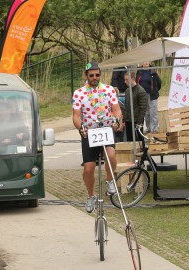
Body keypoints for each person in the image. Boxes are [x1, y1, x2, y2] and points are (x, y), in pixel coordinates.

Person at [72, 61, 123, 213]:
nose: (95, 78)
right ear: (86, 76)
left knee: (111, 155)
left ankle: (109, 180)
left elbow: (117, 110)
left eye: (97, 75)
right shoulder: (79, 93)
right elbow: (76, 115)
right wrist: (81, 127)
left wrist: (117, 121)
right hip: (89, 132)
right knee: (89, 168)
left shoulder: (108, 90)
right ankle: (90, 195)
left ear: (100, 75)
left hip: (106, 129)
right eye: (91, 75)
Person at [136, 62, 161, 133]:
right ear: (142, 63)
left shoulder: (152, 71)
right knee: (146, 112)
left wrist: (154, 90)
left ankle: (155, 129)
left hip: (152, 94)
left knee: (153, 112)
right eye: (145, 61)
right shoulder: (139, 71)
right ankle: (149, 128)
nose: (146, 62)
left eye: (147, 61)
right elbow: (137, 82)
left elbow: (159, 82)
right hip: (143, 95)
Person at [123, 72, 148, 141]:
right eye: (124, 80)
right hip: (128, 120)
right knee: (130, 141)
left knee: (139, 140)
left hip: (136, 121)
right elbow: (126, 106)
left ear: (133, 79)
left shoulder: (141, 91)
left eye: (127, 80)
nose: (125, 82)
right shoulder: (127, 91)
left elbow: (143, 108)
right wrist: (124, 119)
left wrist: (139, 122)